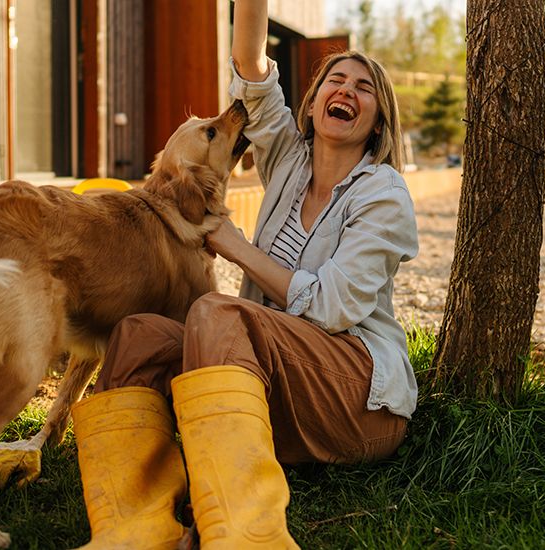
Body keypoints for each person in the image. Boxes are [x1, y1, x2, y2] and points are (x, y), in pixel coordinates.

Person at [70, 0, 418, 547]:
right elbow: (250, 62)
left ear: (378, 122)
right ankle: (137, 524)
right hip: (268, 380)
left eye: (364, 87)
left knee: (216, 313)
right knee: (137, 333)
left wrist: (233, 246)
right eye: (335, 80)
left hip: (358, 399)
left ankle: (238, 534)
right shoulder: (288, 159)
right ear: (313, 103)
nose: (346, 90)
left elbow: (333, 308)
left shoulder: (384, 195)